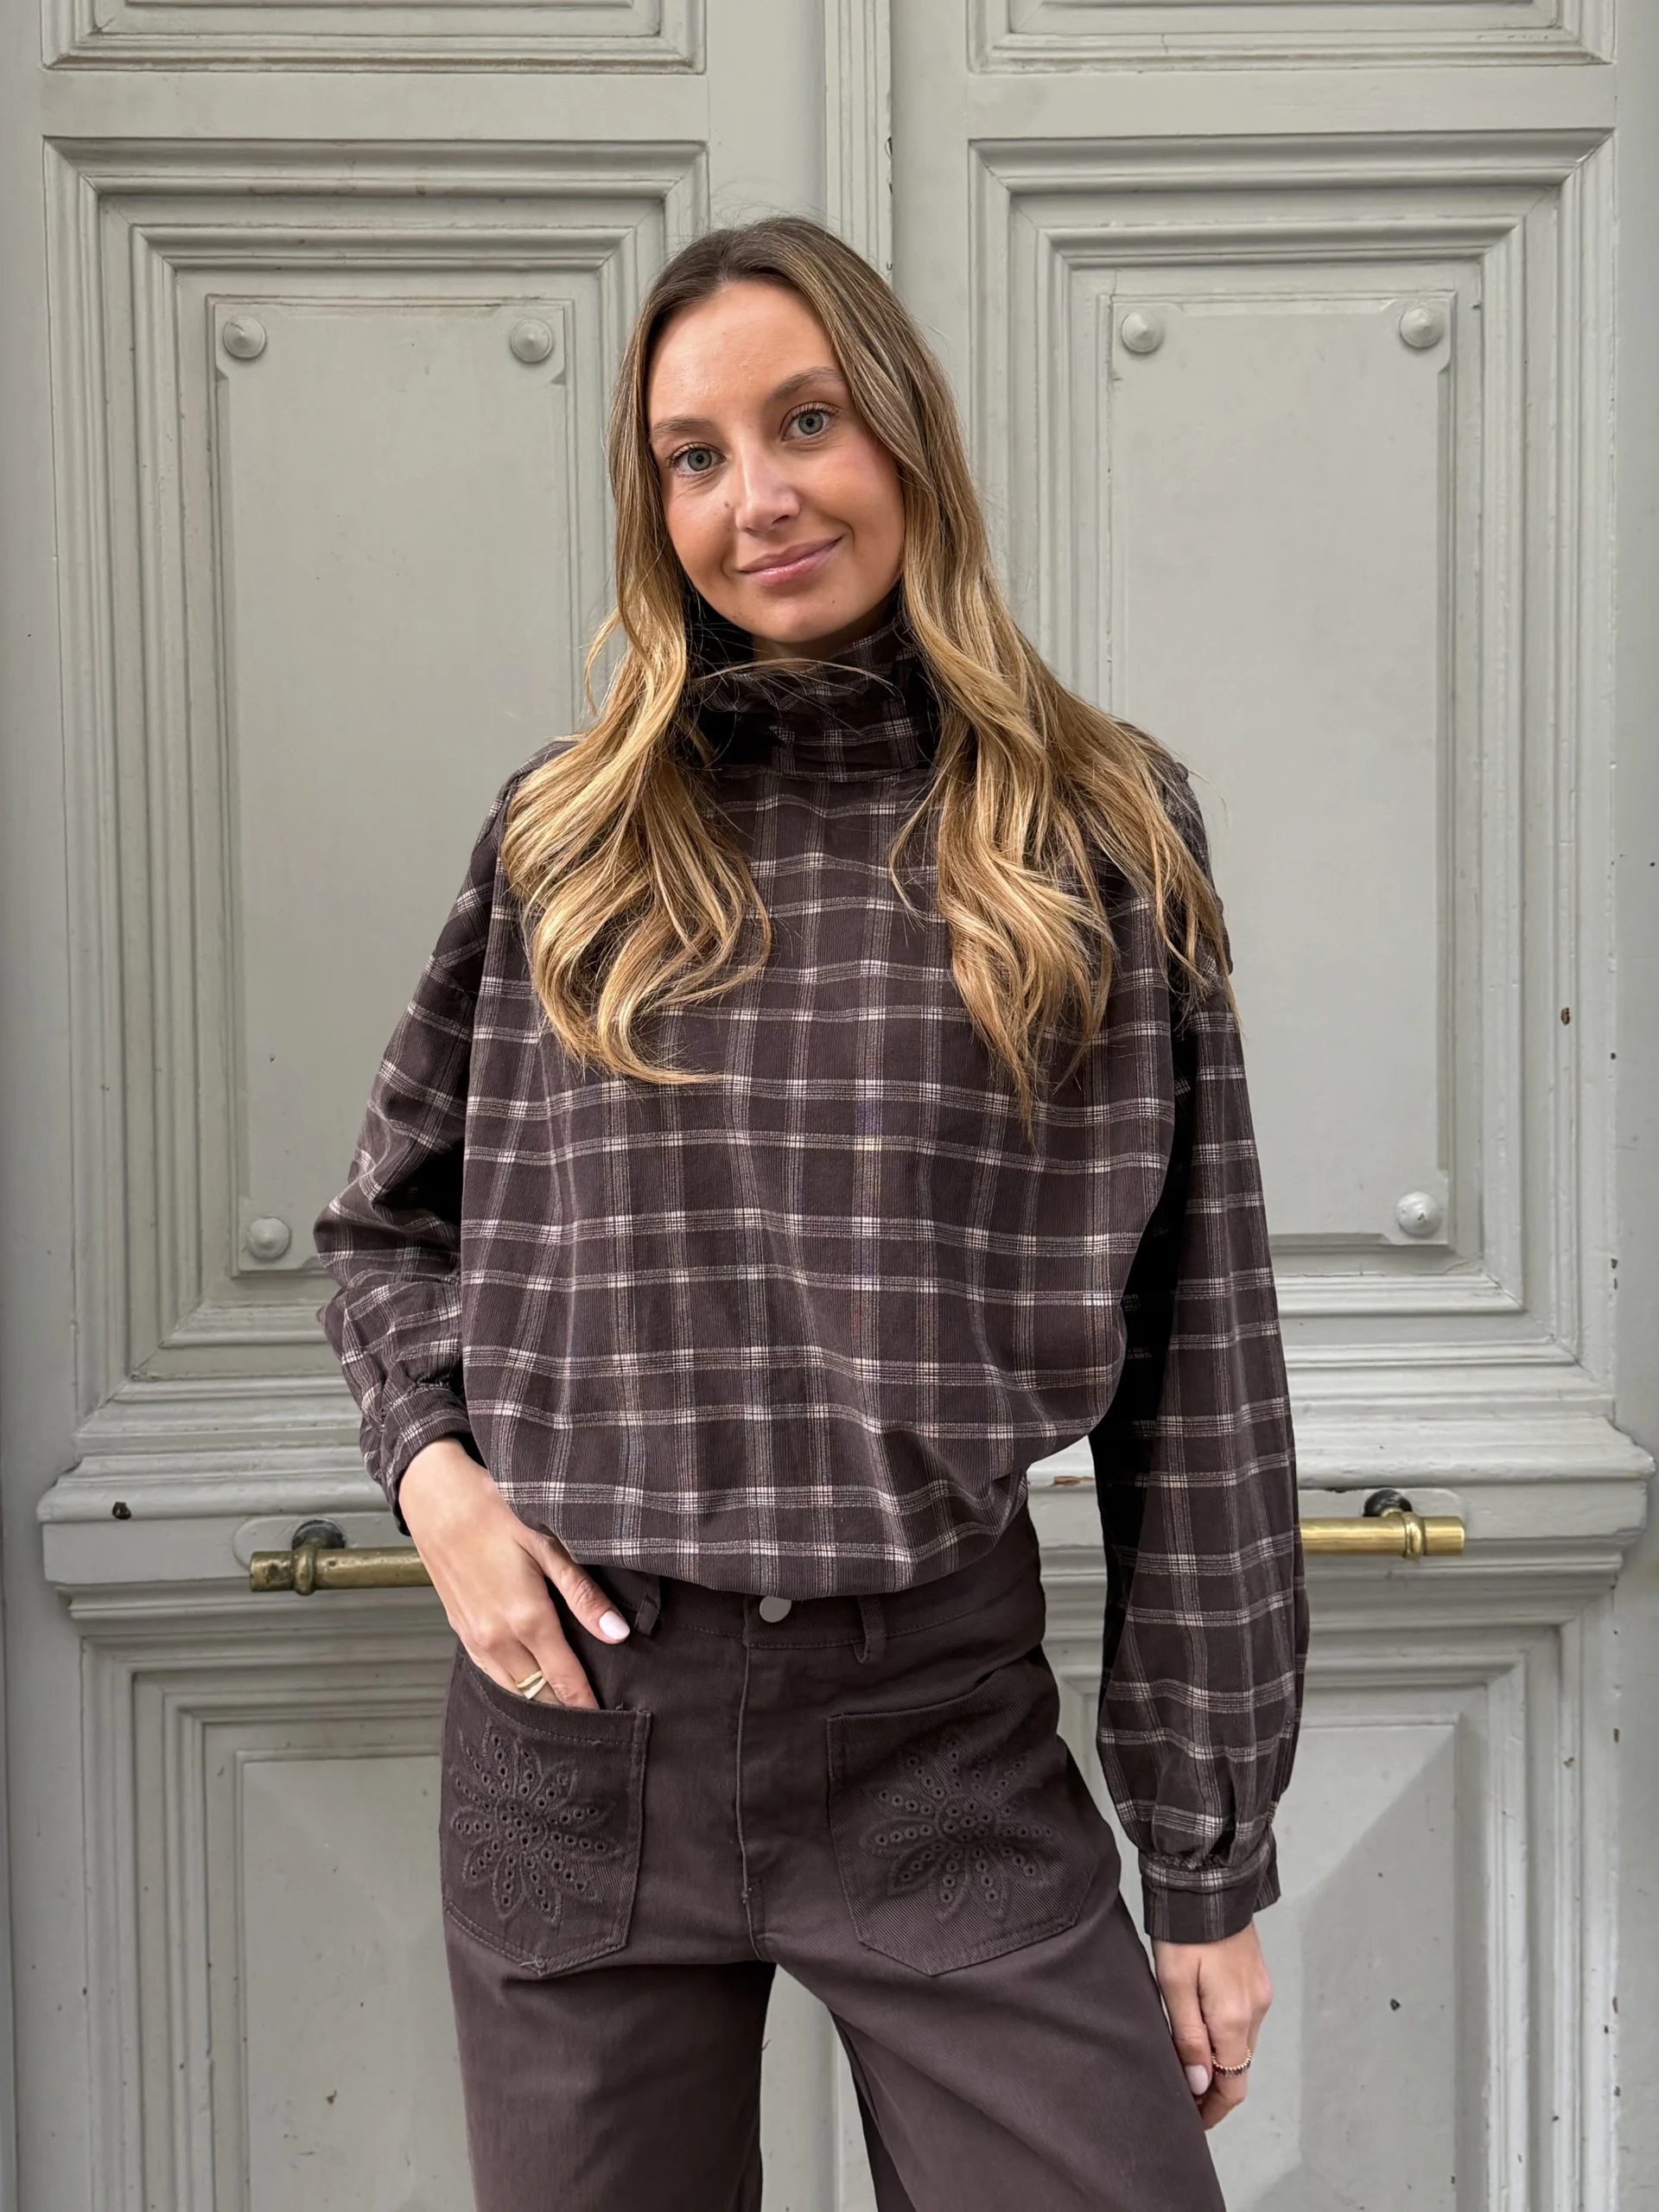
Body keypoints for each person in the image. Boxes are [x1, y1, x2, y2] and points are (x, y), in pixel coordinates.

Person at [313, 214, 1307, 2212]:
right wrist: (438, 1481)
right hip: (582, 1730)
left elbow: (1198, 1364)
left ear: (907, 437)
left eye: (806, 422)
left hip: (934, 1727)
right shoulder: (566, 837)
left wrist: (1204, 1861)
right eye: (693, 455)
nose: (753, 498)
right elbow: (387, 1227)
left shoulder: (1100, 835)